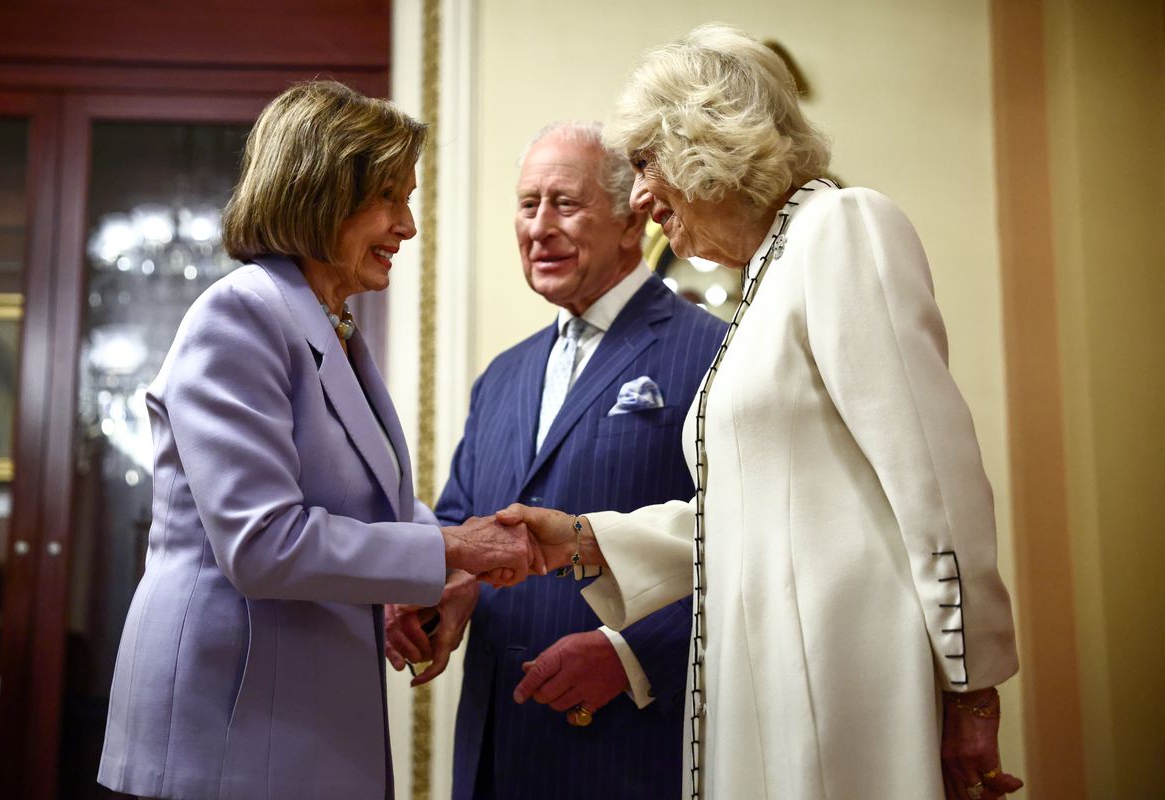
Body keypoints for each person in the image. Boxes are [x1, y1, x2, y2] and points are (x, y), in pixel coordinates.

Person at [503, 25, 1024, 800]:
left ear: (703, 144)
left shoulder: (842, 228)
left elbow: (935, 483)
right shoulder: (767, 280)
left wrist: (972, 686)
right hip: (768, 686)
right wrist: (586, 539)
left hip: (842, 690)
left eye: (645, 164)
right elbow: (754, 506)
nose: (640, 198)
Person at [96, 80, 540, 800]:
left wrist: (437, 567)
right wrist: (450, 549)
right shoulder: (240, 315)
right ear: (322, 191)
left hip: (291, 717)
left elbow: (369, 503)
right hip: (228, 728)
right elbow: (262, 543)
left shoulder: (329, 324)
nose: (408, 225)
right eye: (390, 197)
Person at [384, 122, 726, 799]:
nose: (538, 227)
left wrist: (634, 658)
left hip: (631, 748)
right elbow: (464, 523)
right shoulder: (502, 377)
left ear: (632, 221)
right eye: (527, 203)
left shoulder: (712, 352)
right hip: (497, 747)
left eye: (564, 204)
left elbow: (744, 549)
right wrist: (445, 590)